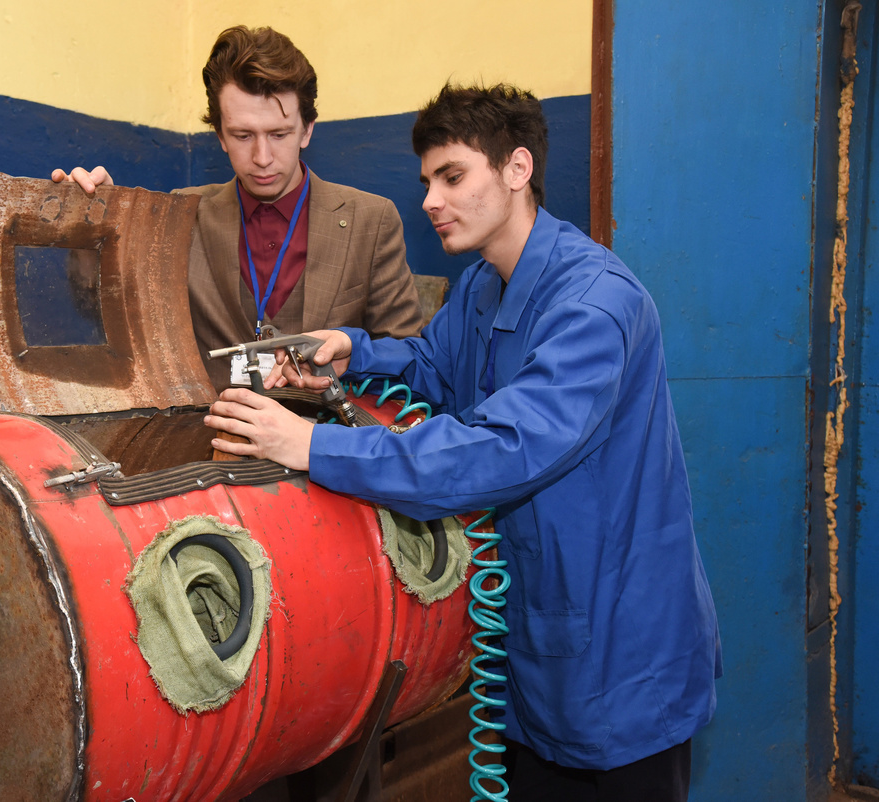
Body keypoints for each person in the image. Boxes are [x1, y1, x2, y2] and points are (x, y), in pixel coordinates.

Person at [203, 83, 722, 802]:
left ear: (517, 168)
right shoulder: (483, 285)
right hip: (535, 645)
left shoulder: (596, 305)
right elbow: (434, 367)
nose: (431, 201)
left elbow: (499, 449)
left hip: (621, 655)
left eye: (452, 177)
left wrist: (310, 446)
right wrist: (351, 352)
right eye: (427, 182)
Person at [52, 25, 423, 389]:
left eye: (279, 134)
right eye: (243, 135)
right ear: (220, 135)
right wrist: (94, 233)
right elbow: (98, 308)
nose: (262, 157)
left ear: (307, 129)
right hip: (210, 425)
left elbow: (407, 353)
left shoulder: (371, 220)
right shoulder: (180, 215)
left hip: (326, 426)